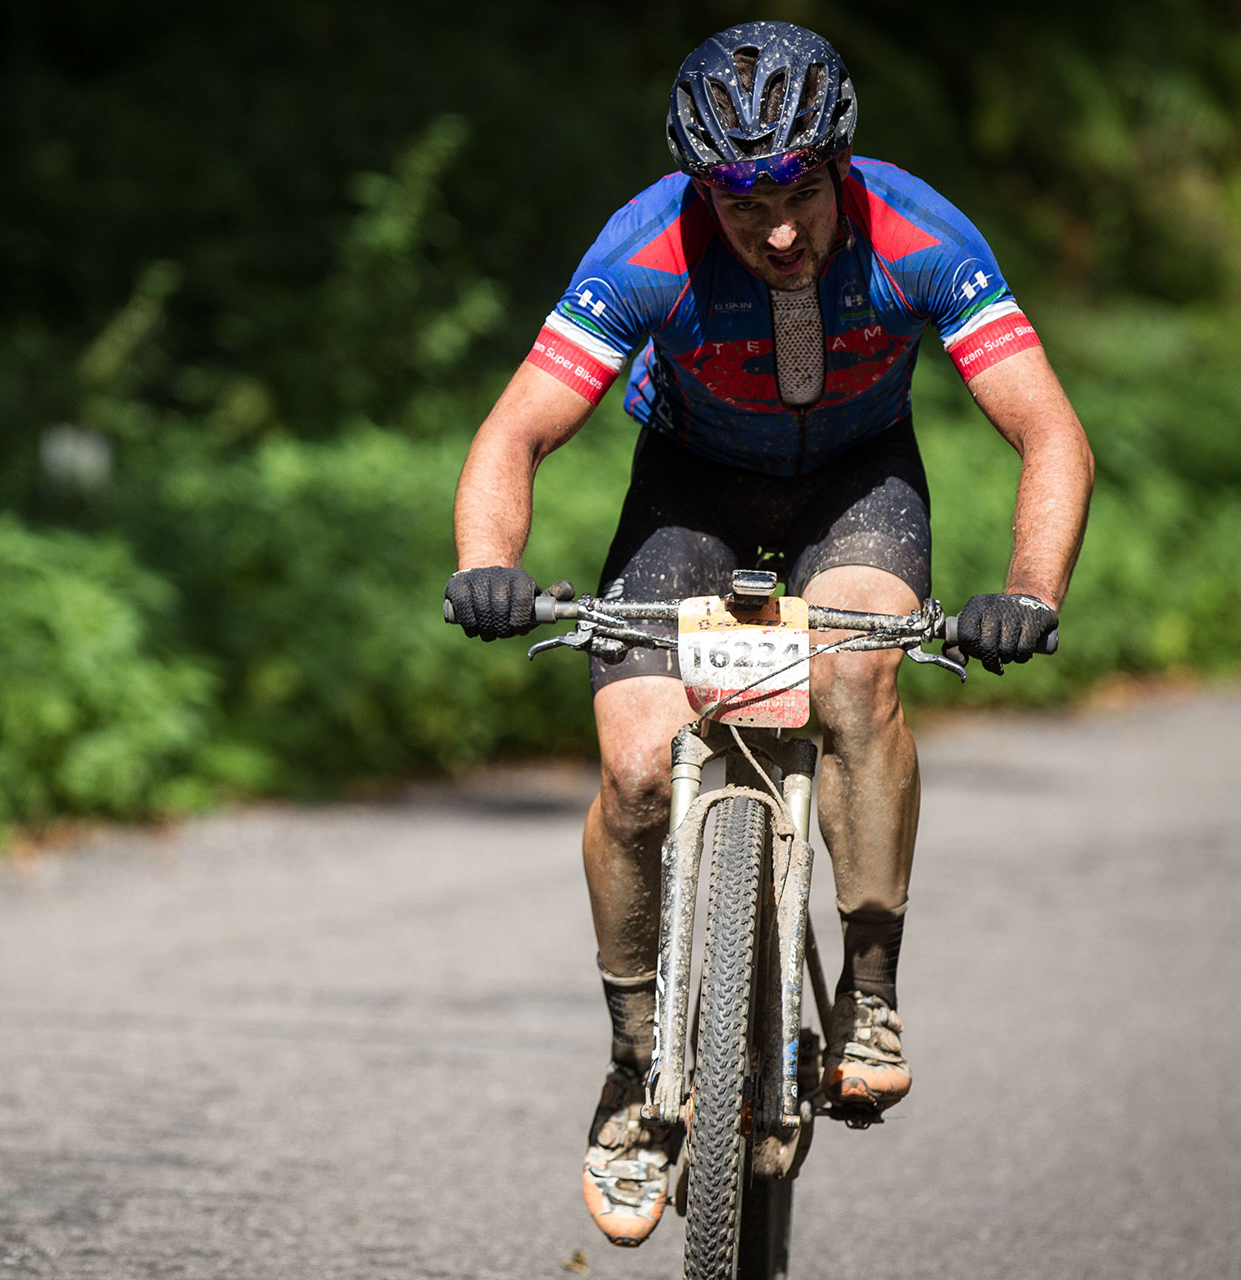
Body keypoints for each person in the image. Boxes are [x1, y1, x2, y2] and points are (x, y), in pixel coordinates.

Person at [443, 20, 1094, 1249]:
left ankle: (873, 992)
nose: (777, 230)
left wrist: (1027, 587)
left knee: (855, 676)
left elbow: (1048, 432)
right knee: (636, 768)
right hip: (686, 487)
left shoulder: (916, 234)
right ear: (700, 188)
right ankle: (634, 1068)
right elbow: (513, 430)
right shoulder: (645, 248)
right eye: (741, 203)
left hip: (859, 482)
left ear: (838, 165)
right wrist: (486, 563)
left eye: (797, 191)